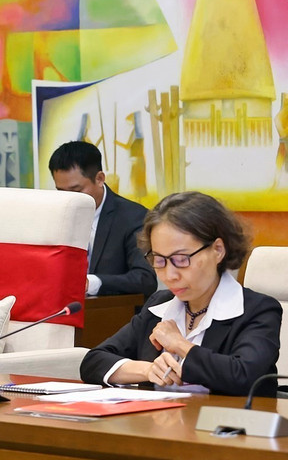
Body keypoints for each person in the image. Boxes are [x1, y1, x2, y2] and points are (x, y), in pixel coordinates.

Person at [80, 191, 282, 396]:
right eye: (159, 260)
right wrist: (148, 370)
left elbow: (243, 376)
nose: (169, 275)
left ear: (218, 250)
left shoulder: (258, 310)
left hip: (225, 425)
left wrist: (179, 344)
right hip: (156, 423)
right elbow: (93, 361)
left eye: (181, 259)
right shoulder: (160, 304)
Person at [49, 141, 156, 296]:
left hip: (113, 314)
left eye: (76, 190)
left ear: (99, 179)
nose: (69, 199)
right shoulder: (55, 214)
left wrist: (91, 283)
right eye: (61, 191)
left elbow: (145, 279)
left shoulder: (133, 217)